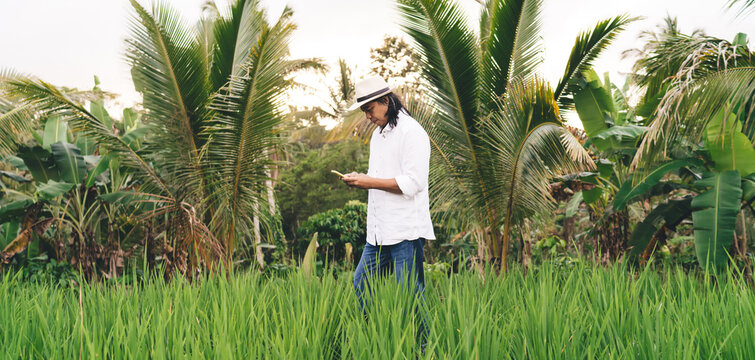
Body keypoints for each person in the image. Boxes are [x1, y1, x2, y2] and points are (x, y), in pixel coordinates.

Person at [342, 76, 435, 351]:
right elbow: (380, 178)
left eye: (370, 109)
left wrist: (368, 181)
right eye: (364, 112)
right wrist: (360, 179)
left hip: (405, 230)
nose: (368, 116)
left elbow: (413, 183)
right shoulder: (378, 135)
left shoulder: (412, 132)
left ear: (386, 100)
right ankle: (377, 340)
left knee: (410, 294)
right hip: (379, 232)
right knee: (362, 282)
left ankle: (423, 350)